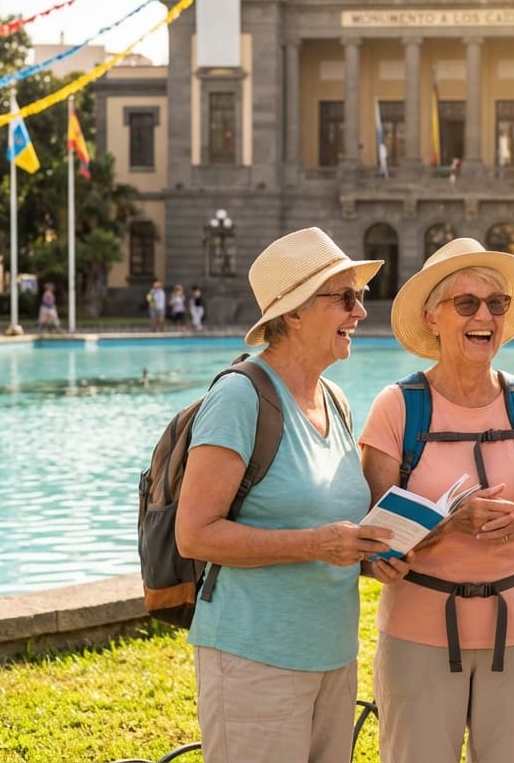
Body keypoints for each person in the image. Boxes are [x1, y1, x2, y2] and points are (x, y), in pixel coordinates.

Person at [175, 227, 406, 763]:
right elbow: (195, 535)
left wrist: (370, 558)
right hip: (256, 659)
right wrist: (316, 544)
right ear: (295, 313)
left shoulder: (337, 400)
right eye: (345, 298)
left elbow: (329, 525)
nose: (360, 312)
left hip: (332, 655)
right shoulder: (239, 397)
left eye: (360, 297)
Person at [360, 238, 514, 763]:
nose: (485, 316)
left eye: (496, 303)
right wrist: (450, 525)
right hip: (419, 634)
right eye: (467, 303)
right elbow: (370, 544)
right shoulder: (397, 408)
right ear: (433, 318)